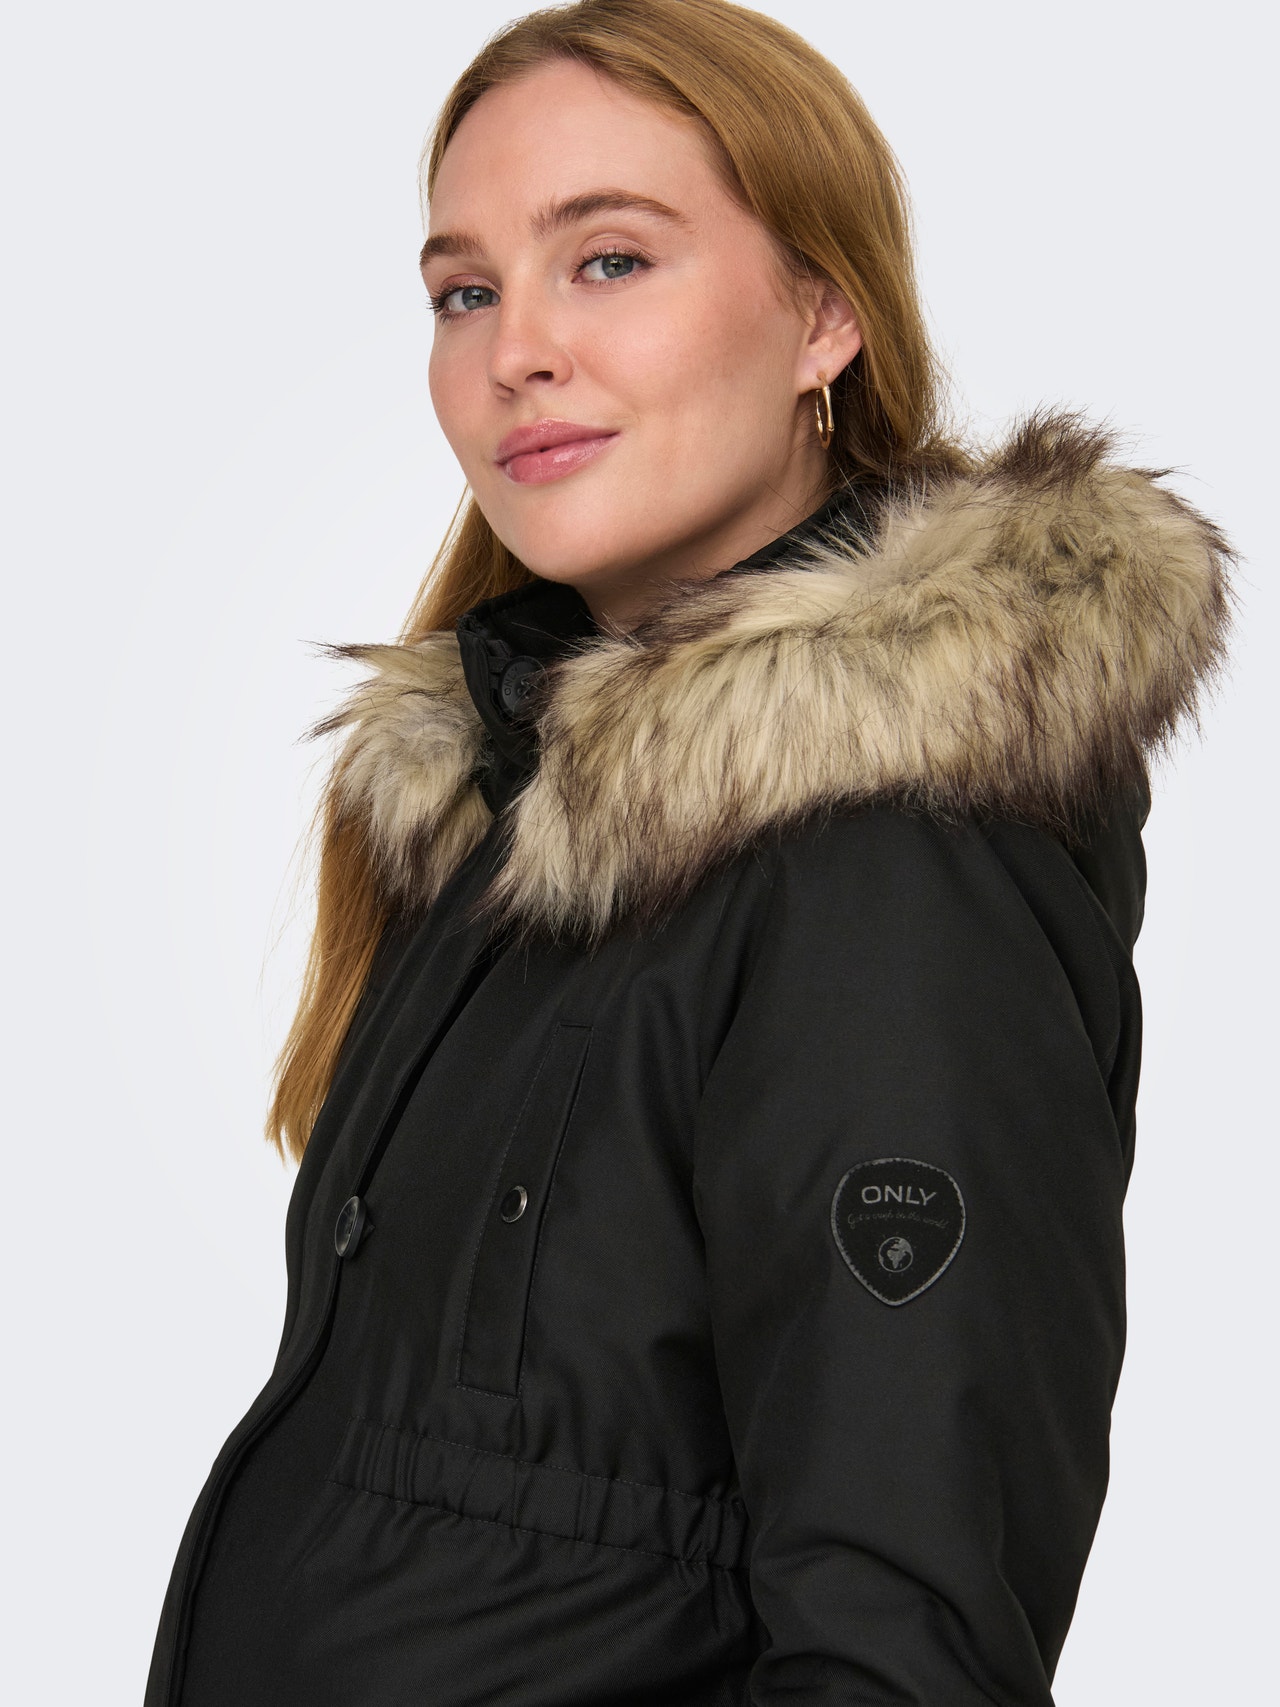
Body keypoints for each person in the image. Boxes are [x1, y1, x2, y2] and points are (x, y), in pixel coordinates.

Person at [143, 2, 1236, 1702]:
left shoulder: (893, 873)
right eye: (463, 291)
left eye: (609, 261)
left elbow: (903, 1648)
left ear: (823, 317)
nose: (514, 351)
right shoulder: (518, 831)